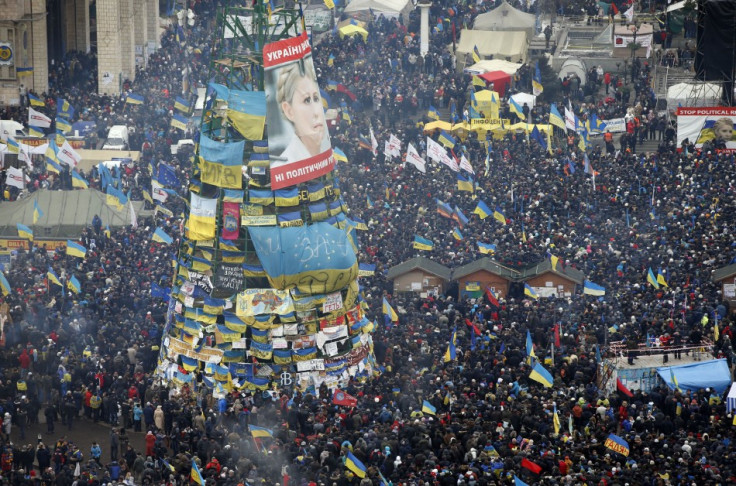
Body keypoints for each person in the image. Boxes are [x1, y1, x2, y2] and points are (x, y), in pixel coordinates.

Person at [275, 60, 330, 164]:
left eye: (316, 98)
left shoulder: (326, 154)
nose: (316, 112)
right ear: (289, 111)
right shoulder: (285, 164)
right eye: (307, 100)